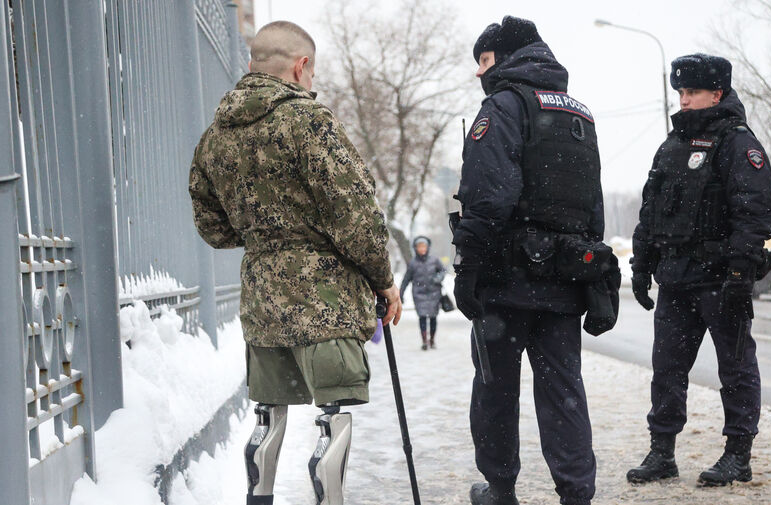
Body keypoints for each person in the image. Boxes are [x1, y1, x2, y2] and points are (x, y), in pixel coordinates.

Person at [188, 21, 401, 505]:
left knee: (269, 411)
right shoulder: (309, 122)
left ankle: (258, 497)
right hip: (323, 298)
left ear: (251, 64)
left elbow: (213, 227)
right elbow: (355, 214)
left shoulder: (215, 137)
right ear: (301, 66)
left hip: (263, 299)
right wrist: (384, 282)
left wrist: (265, 236)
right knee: (334, 411)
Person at [452, 16, 617, 505]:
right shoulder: (579, 115)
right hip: (565, 281)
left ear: (503, 58)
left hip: (507, 281)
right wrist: (595, 279)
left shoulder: (502, 107)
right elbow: (593, 205)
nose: (479, 73)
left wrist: (469, 269)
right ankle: (576, 495)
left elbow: (488, 197)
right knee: (564, 397)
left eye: (483, 62)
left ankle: (501, 490)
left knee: (495, 393)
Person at [626, 54, 771, 487]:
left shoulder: (737, 143)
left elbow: (757, 214)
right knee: (667, 371)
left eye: (691, 92)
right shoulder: (671, 146)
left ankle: (737, 455)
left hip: (719, 278)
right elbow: (650, 212)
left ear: (716, 93)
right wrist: (641, 266)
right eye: (681, 92)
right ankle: (662, 453)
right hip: (675, 279)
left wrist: (738, 272)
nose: (684, 100)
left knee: (735, 369)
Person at [400, 236, 446, 350]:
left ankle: (432, 340)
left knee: (433, 317)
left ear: (427, 247)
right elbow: (406, 279)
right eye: (419, 246)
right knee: (422, 317)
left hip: (434, 293)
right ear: (416, 248)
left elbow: (443, 270)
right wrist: (400, 293)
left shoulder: (434, 260)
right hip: (419, 294)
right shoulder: (412, 263)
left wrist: (438, 278)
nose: (422, 248)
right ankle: (424, 341)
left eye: (424, 246)